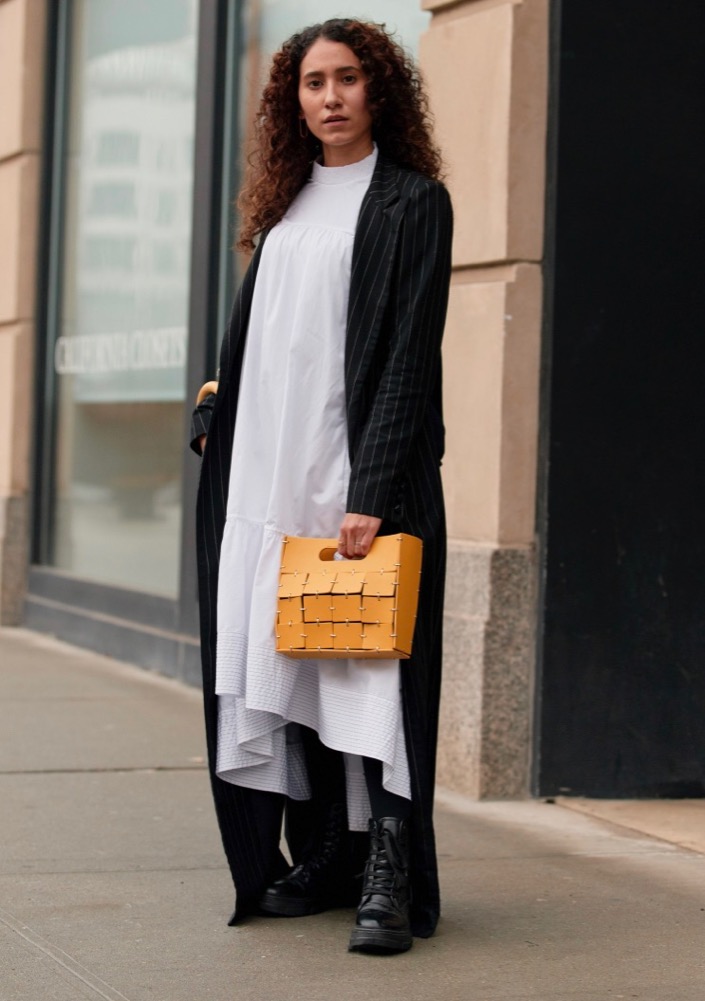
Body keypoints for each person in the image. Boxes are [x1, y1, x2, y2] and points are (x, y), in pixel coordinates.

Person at [190, 18, 452, 955]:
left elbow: (408, 364)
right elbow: (269, 342)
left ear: (377, 90)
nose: (329, 97)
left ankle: (389, 869)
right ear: (289, 100)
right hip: (266, 471)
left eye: (347, 79)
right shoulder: (286, 202)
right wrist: (216, 407)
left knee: (370, 671)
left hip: (355, 480)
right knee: (290, 663)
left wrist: (371, 489)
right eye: (311, 83)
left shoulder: (412, 203)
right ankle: (329, 855)